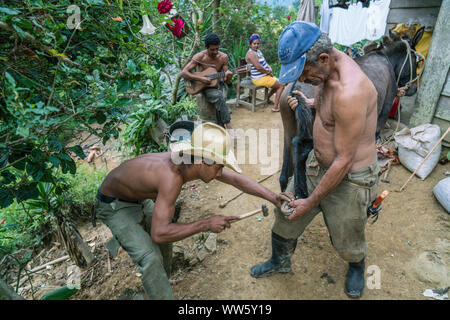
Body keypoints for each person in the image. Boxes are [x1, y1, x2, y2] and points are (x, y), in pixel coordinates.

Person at [250, 21, 380, 299]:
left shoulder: (350, 91)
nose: (303, 80)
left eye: (304, 74)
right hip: (318, 165)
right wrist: (311, 104)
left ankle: (357, 264)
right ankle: (279, 261)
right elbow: (329, 109)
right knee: (285, 213)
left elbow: (344, 160)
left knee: (347, 236)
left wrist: (310, 202)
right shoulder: (328, 68)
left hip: (351, 178)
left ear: (322, 59)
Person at [94, 122, 290, 299]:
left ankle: (161, 283)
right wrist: (206, 224)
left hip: (138, 197)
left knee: (164, 243)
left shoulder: (193, 162)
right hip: (114, 204)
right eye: (219, 165)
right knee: (150, 257)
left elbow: (236, 179)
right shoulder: (172, 178)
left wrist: (273, 197)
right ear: (202, 161)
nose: (221, 171)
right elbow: (159, 233)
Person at [181, 33, 237, 138]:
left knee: (220, 94)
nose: (215, 52)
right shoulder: (200, 56)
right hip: (204, 86)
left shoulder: (223, 57)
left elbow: (226, 79)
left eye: (217, 49)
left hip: (218, 83)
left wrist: (228, 76)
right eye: (212, 49)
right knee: (219, 96)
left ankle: (221, 127)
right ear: (206, 47)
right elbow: (184, 72)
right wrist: (200, 78)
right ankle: (227, 125)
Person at [245, 33, 285, 112]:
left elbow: (265, 63)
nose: (256, 45)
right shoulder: (251, 54)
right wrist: (268, 72)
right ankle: (275, 107)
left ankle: (266, 99)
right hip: (258, 78)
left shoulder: (258, 52)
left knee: (278, 83)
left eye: (258, 43)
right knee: (281, 85)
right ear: (250, 44)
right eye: (254, 43)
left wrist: (269, 69)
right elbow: (258, 67)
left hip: (264, 76)